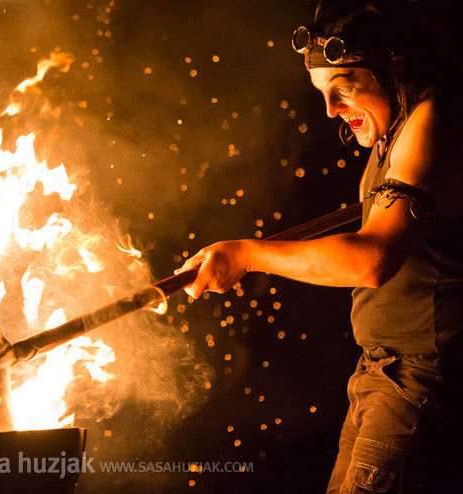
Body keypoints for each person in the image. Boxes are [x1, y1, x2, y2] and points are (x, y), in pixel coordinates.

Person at [176, 0, 463, 492]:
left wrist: (248, 254)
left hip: (420, 382)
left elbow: (372, 259)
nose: (330, 109)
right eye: (323, 94)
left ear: (394, 67)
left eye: (344, 89)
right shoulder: (391, 135)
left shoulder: (433, 117)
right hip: (380, 373)